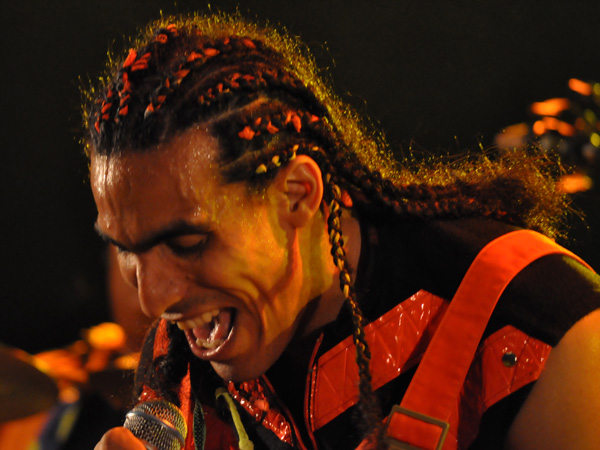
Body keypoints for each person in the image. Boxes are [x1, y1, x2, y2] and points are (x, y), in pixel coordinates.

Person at [85, 12, 600, 450]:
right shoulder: (182, 363)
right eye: (129, 251)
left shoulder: (540, 329)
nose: (153, 300)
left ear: (298, 195)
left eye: (187, 243)